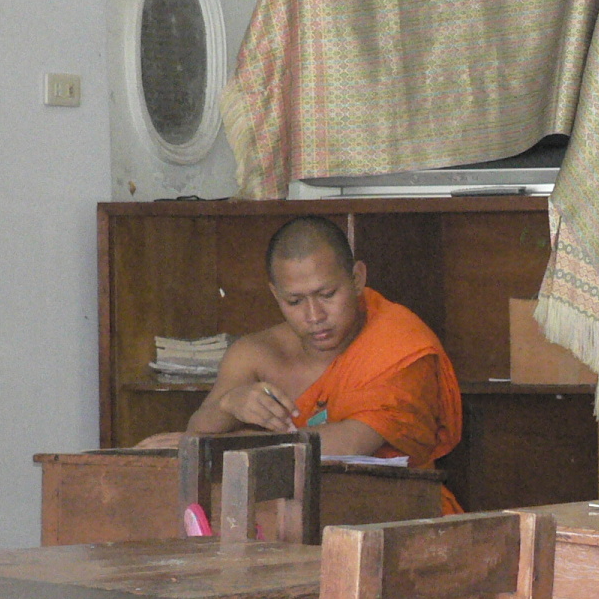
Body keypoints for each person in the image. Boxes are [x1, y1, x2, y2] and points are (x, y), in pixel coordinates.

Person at [143, 216, 464, 511]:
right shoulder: (255, 353)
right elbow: (198, 429)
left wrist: (224, 446)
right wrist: (231, 404)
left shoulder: (399, 343)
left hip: (393, 515)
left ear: (357, 278)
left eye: (327, 294)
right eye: (294, 301)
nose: (314, 316)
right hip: (277, 521)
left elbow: (352, 442)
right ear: (275, 294)